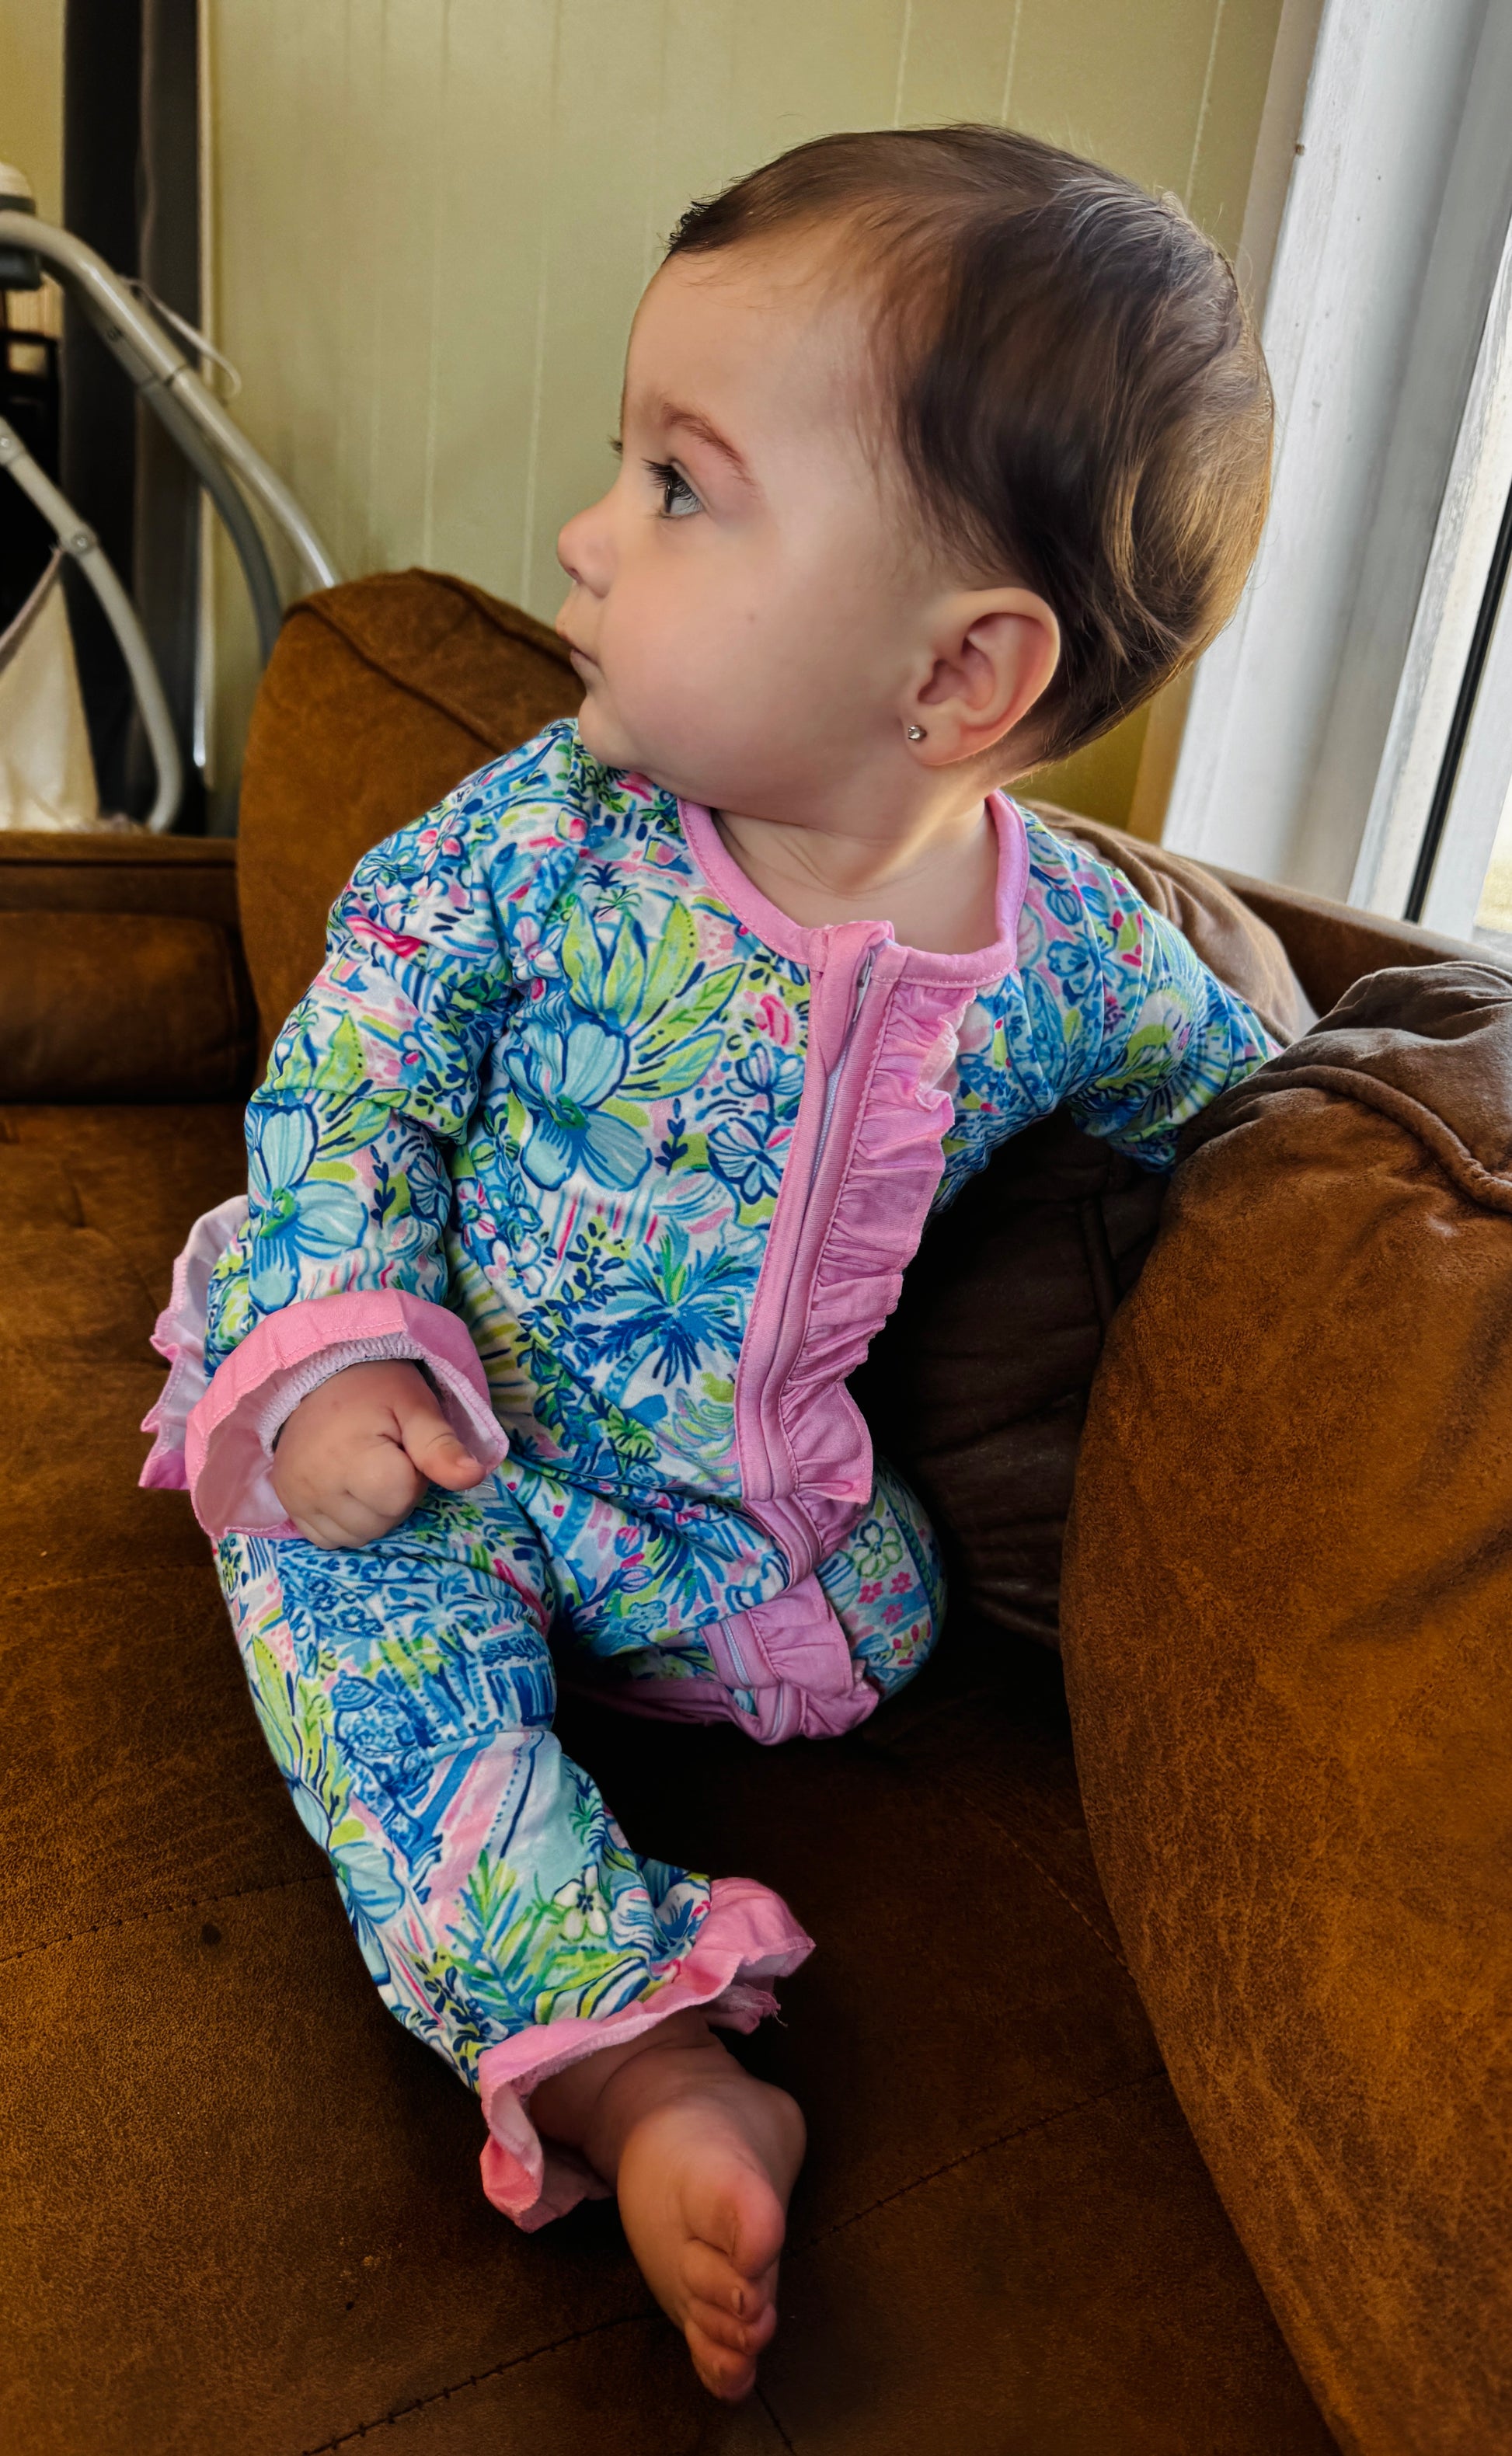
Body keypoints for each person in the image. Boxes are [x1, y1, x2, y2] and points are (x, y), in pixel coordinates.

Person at [142, 124, 1275, 2401]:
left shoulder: (1067, 952)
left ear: (959, 676)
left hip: (746, 1535)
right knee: (344, 1605)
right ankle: (627, 2055)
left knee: (886, 1626)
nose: (584, 532)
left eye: (679, 486)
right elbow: (350, 1068)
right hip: (443, 1452)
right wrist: (340, 1341)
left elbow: (1260, 1116)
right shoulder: (543, 836)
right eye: (625, 463)